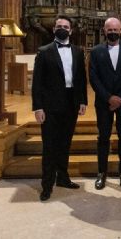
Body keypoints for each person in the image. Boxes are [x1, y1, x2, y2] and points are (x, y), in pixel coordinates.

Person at [31, 15, 87, 202]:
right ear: (54, 30)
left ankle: (62, 178)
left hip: (71, 103)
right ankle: (47, 185)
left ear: (71, 30)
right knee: (49, 146)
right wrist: (38, 107)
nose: (62, 28)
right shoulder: (44, 51)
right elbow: (37, 82)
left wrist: (83, 101)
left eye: (65, 26)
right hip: (50, 105)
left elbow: (81, 79)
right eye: (59, 26)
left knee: (65, 143)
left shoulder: (78, 52)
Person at [89, 18, 121, 190]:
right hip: (104, 103)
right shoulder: (95, 52)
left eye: (115, 29)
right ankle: (101, 173)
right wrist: (109, 98)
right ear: (104, 31)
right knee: (103, 138)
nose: (112, 32)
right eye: (109, 29)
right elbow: (93, 78)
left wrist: (120, 99)